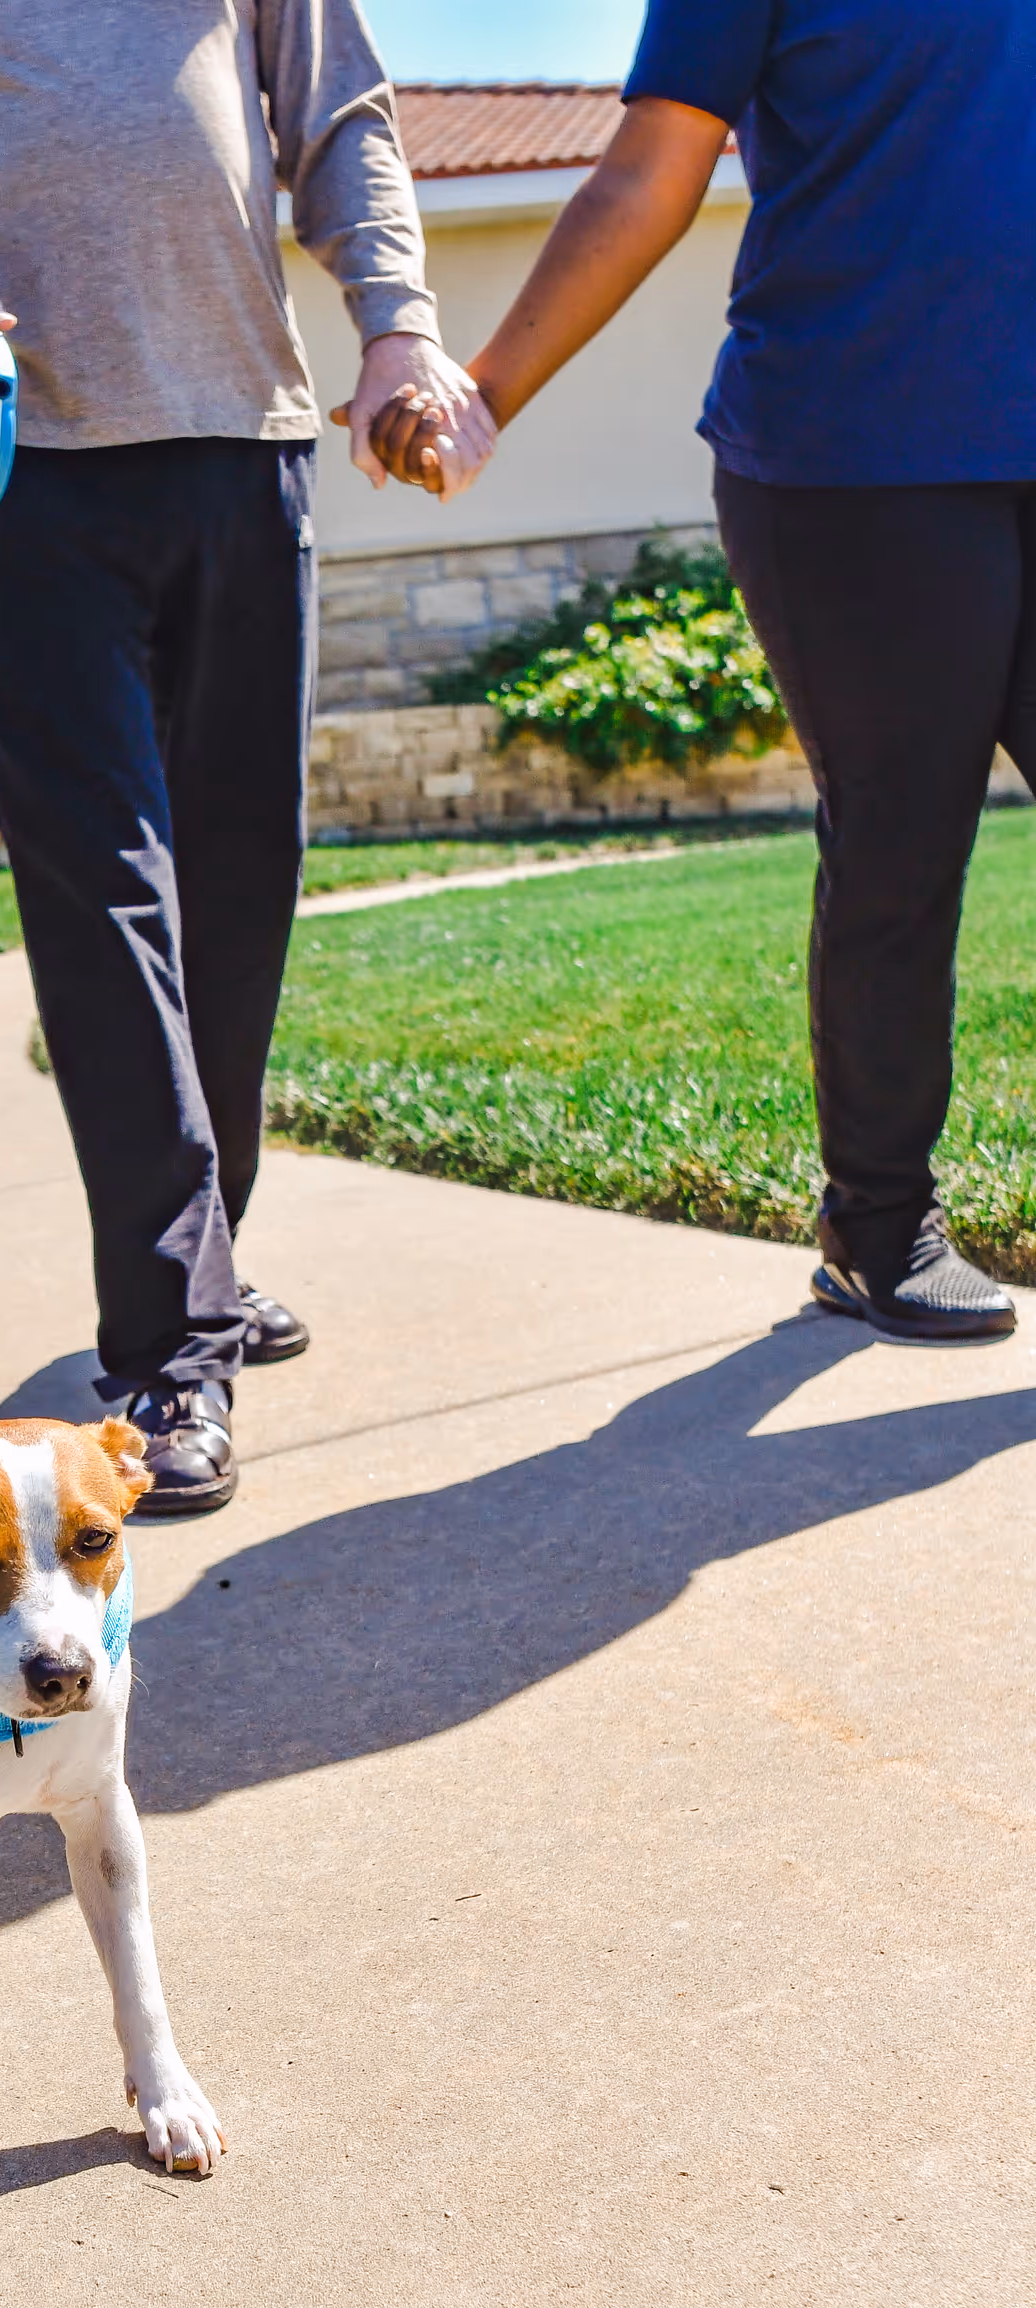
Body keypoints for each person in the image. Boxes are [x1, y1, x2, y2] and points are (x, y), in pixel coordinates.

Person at [0, 1, 492, 1506]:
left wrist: (395, 314)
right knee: (104, 898)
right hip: (16, 464)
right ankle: (167, 1346)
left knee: (240, 885)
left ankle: (203, 1251)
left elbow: (336, 113)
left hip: (244, 430)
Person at [383, 0, 1036, 1343]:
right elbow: (651, 170)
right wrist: (492, 391)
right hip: (855, 456)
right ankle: (876, 1223)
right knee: (905, 844)